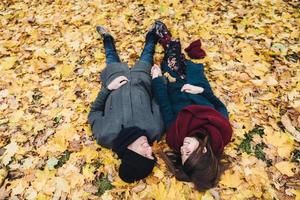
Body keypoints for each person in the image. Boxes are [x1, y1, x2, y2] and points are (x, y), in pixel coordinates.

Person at [150, 22, 233, 191]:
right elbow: (218, 103)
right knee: (186, 62)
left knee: (171, 60)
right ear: (202, 152)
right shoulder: (222, 130)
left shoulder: (175, 138)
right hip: (196, 84)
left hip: (173, 86)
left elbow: (166, 107)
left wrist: (157, 80)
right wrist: (201, 90)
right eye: (188, 152)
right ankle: (172, 47)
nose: (182, 149)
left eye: (182, 155)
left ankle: (167, 42)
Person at [88, 22, 164, 183]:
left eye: (144, 153)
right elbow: (158, 100)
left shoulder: (105, 135)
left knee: (110, 56)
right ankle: (151, 34)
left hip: (115, 79)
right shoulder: (155, 129)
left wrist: (108, 89)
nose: (149, 149)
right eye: (151, 153)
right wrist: (158, 79)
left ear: (130, 153)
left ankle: (107, 38)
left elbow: (94, 111)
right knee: (148, 52)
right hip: (142, 78)